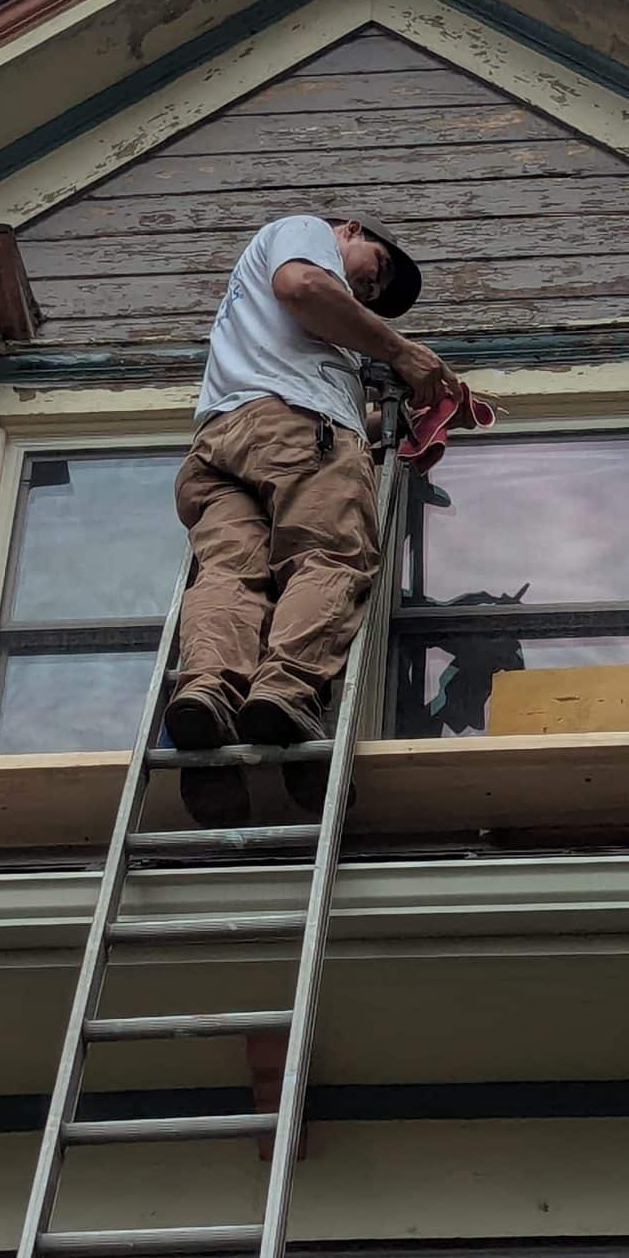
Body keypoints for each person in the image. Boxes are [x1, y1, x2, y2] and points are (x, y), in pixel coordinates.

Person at [166, 214, 460, 825]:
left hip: (222, 443)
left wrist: (402, 419)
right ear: (349, 231)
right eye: (372, 274)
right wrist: (402, 351)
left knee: (231, 576)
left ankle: (207, 692)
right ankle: (287, 692)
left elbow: (323, 406)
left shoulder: (301, 340)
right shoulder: (303, 233)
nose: (364, 296)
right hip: (292, 430)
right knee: (333, 556)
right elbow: (302, 287)